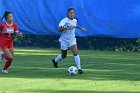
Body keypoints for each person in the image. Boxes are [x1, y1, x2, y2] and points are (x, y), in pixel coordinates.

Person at [52, 8, 86, 74]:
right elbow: (59, 29)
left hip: (72, 40)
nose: (72, 14)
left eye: (73, 13)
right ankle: (55, 61)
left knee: (75, 53)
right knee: (64, 56)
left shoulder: (75, 20)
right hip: (64, 40)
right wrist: (66, 28)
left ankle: (79, 69)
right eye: (70, 13)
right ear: (68, 13)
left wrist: (80, 28)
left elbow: (74, 25)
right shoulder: (64, 20)